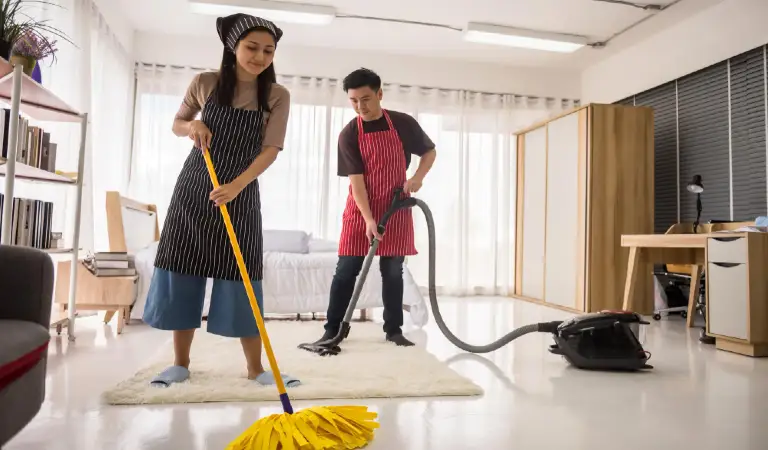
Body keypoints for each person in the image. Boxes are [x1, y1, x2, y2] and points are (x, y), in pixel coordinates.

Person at [142, 13, 300, 388]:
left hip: (240, 195)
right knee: (183, 268)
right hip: (194, 191)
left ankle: (255, 368)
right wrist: (193, 125)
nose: (260, 57)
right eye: (252, 47)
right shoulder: (205, 82)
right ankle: (180, 364)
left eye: (268, 51)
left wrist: (237, 186)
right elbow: (178, 123)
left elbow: (271, 149)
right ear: (233, 47)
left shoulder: (277, 96)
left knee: (243, 276)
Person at [314, 68, 437, 347]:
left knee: (393, 272)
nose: (361, 106)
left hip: (396, 208)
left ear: (380, 94)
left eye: (366, 99)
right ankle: (332, 330)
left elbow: (429, 151)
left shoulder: (403, 123)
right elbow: (357, 183)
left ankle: (394, 331)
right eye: (354, 101)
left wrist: (417, 177)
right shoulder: (349, 134)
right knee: (346, 270)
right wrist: (369, 219)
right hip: (361, 211)